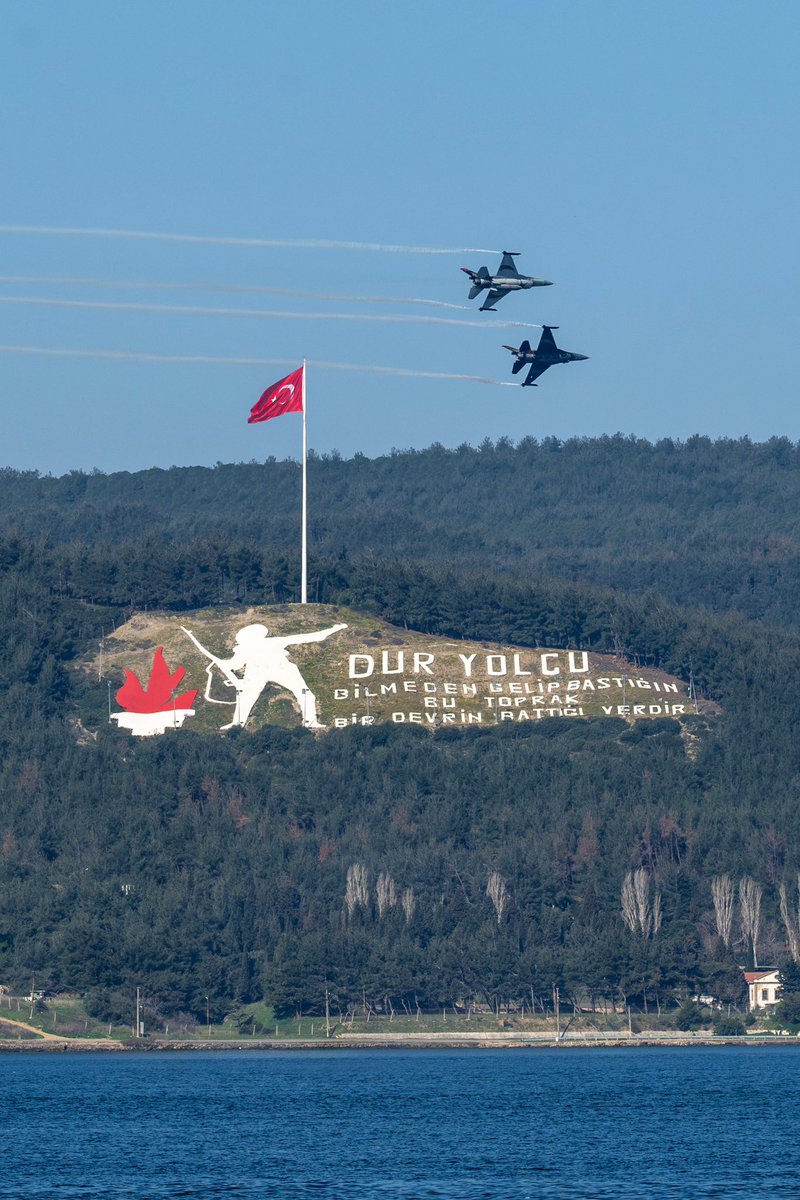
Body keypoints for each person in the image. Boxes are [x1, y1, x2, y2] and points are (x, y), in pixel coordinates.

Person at [180, 621, 347, 729]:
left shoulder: (266, 643)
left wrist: (334, 629)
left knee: (305, 694)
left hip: (281, 668)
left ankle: (310, 721)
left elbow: (311, 637)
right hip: (259, 671)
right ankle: (237, 723)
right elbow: (235, 664)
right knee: (246, 698)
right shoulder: (248, 648)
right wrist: (224, 664)